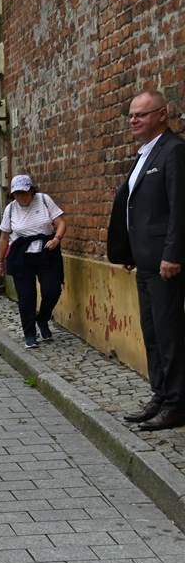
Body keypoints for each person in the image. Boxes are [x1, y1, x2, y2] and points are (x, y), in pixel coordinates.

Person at [108, 90, 185, 431]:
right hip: (144, 262)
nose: (133, 120)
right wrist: (127, 251)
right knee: (152, 332)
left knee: (170, 334)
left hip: (165, 264)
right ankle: (160, 393)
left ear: (162, 115)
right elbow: (134, 207)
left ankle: (177, 402)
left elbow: (179, 209)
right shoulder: (143, 155)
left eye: (141, 114)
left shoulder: (174, 152)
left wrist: (173, 253)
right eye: (131, 115)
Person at [0, 175, 66, 350]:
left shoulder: (43, 200)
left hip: (46, 252)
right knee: (26, 297)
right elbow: (4, 237)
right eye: (17, 194)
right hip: (21, 257)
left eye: (24, 193)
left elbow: (61, 222)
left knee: (52, 289)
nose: (21, 197)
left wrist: (57, 238)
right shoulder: (10, 210)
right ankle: (30, 334)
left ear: (32, 190)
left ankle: (42, 318)